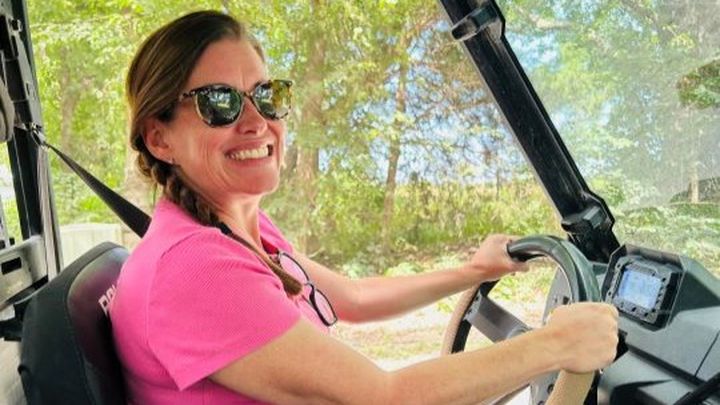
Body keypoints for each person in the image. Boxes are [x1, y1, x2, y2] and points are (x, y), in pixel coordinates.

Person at [109, 10, 619, 404]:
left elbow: (352, 297)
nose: (257, 121)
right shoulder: (195, 267)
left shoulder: (234, 230)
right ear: (159, 138)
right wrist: (553, 346)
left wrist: (473, 272)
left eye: (266, 95)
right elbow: (382, 398)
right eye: (218, 103)